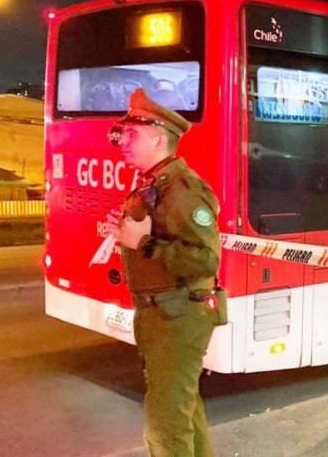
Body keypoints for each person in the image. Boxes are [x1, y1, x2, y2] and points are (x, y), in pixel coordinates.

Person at [104, 88, 221, 457]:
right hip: (163, 314)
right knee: (182, 411)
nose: (123, 140)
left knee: (165, 425)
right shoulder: (154, 184)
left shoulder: (183, 190)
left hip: (179, 316)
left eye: (133, 134)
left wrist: (145, 244)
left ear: (158, 139)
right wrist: (124, 232)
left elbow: (206, 259)